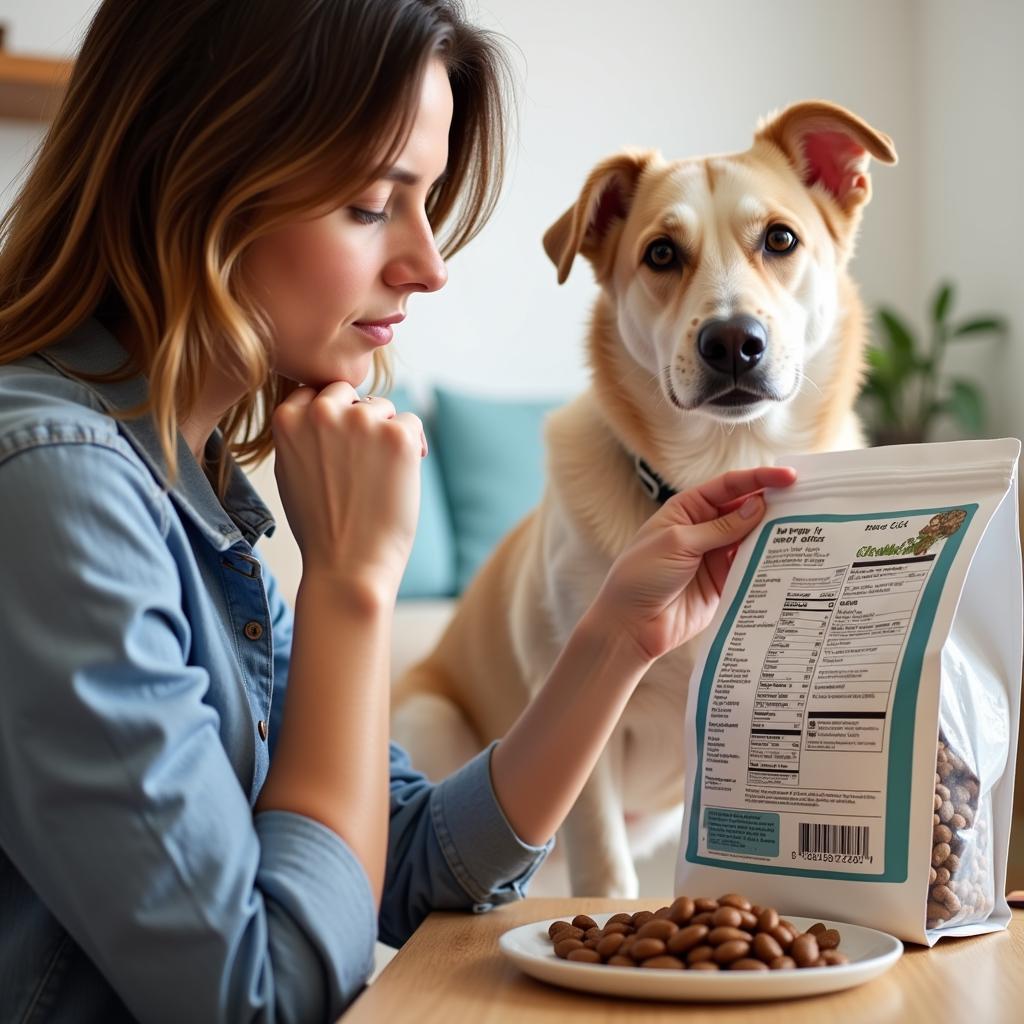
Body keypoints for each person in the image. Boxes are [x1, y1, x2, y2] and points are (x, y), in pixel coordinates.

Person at [0, 1, 796, 1020]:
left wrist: (615, 639)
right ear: (195, 178)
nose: (427, 265)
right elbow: (266, 997)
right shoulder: (55, 486)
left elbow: (409, 858)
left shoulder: (171, 481)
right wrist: (347, 585)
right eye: (375, 205)